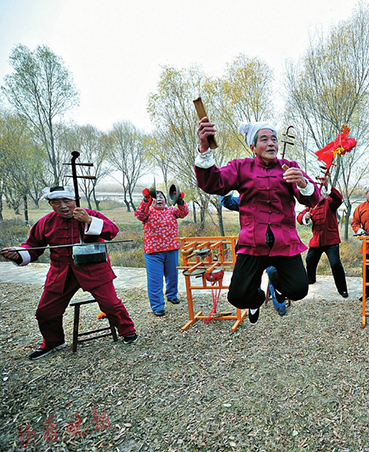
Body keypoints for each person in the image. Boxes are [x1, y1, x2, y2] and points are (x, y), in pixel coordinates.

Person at [195, 119, 320, 324]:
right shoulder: (241, 167)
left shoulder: (289, 167)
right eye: (264, 139)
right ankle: (257, 299)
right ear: (253, 147)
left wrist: (303, 182)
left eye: (274, 139)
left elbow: (313, 199)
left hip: (283, 242)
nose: (271, 143)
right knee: (237, 296)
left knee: (299, 290)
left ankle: (277, 285)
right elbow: (212, 183)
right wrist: (204, 148)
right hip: (252, 243)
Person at [0, 186, 138, 360]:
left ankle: (128, 331)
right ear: (50, 204)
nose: (63, 206)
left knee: (111, 304)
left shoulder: (89, 214)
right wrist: (19, 253)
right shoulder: (45, 223)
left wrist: (89, 220)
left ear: (76, 200)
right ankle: (54, 342)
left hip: (94, 269)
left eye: (67, 201)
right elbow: (33, 247)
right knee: (45, 312)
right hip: (61, 272)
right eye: (56, 202)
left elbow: (112, 231)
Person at [221, 193, 289, 316]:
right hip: (254, 248)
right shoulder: (246, 199)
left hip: (273, 246)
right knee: (252, 278)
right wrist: (225, 188)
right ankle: (254, 303)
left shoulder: (276, 197)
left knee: (274, 273)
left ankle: (280, 303)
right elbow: (228, 202)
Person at [135, 188, 189, 316]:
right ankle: (157, 306)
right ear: (151, 201)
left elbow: (184, 212)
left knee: (173, 276)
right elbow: (139, 214)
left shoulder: (171, 210)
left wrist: (180, 200)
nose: (159, 199)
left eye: (161, 197)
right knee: (155, 280)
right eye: (155, 197)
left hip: (171, 249)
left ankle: (171, 295)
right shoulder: (147, 211)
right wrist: (145, 200)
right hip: (153, 252)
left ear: (166, 199)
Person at [296, 177, 349, 299]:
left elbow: (339, 198)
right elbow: (299, 217)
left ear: (324, 193)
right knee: (310, 260)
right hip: (316, 241)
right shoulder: (310, 206)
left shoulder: (330, 202)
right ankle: (311, 279)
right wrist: (305, 216)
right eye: (316, 193)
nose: (318, 195)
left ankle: (342, 289)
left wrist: (329, 186)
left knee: (335, 264)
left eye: (320, 192)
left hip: (331, 241)